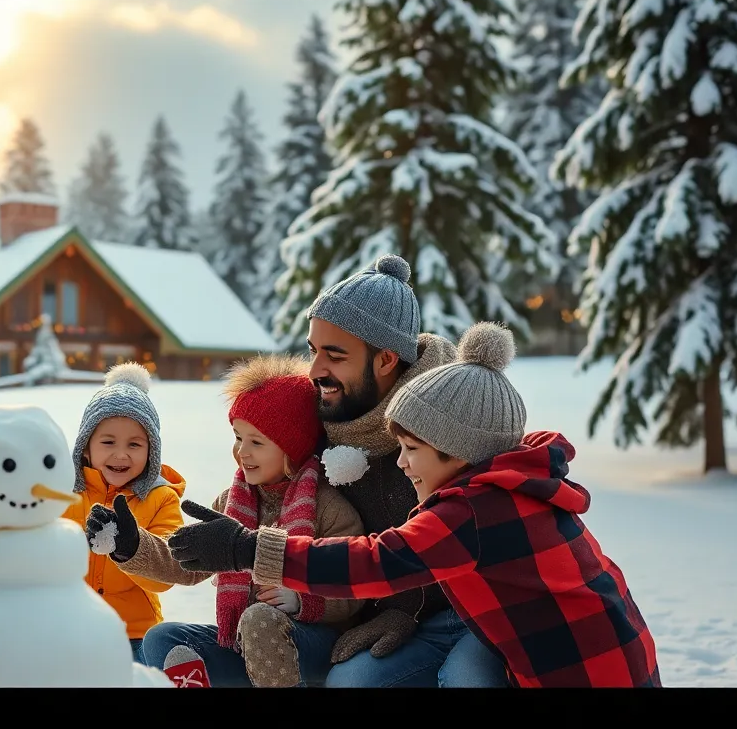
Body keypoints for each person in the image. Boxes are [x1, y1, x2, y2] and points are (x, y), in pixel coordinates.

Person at [168, 322, 662, 687]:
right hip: (622, 662)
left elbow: (376, 561)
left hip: (582, 674)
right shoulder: (521, 486)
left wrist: (247, 549)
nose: (402, 464)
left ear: (460, 449)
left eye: (412, 449)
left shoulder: (474, 511)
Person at [263, 253, 507, 687]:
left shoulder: (453, 417)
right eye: (314, 351)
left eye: (334, 356)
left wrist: (405, 607)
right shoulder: (322, 414)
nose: (316, 370)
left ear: (386, 360)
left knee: (468, 678)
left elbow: (476, 530)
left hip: (476, 608)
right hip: (373, 605)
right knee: (353, 681)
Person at [96, 353, 366, 687]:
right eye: (238, 438)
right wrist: (132, 545)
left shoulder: (328, 508)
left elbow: (354, 586)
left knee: (260, 619)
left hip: (311, 648)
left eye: (257, 442)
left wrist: (301, 600)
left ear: (291, 448)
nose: (242, 452)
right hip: (244, 644)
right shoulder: (232, 502)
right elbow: (186, 561)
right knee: (161, 639)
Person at [62, 362, 186, 665]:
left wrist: (132, 546)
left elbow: (168, 572)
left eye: (134, 444)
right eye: (108, 442)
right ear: (86, 448)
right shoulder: (62, 493)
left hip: (133, 634)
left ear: (151, 452)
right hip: (65, 629)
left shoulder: (161, 498)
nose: (121, 454)